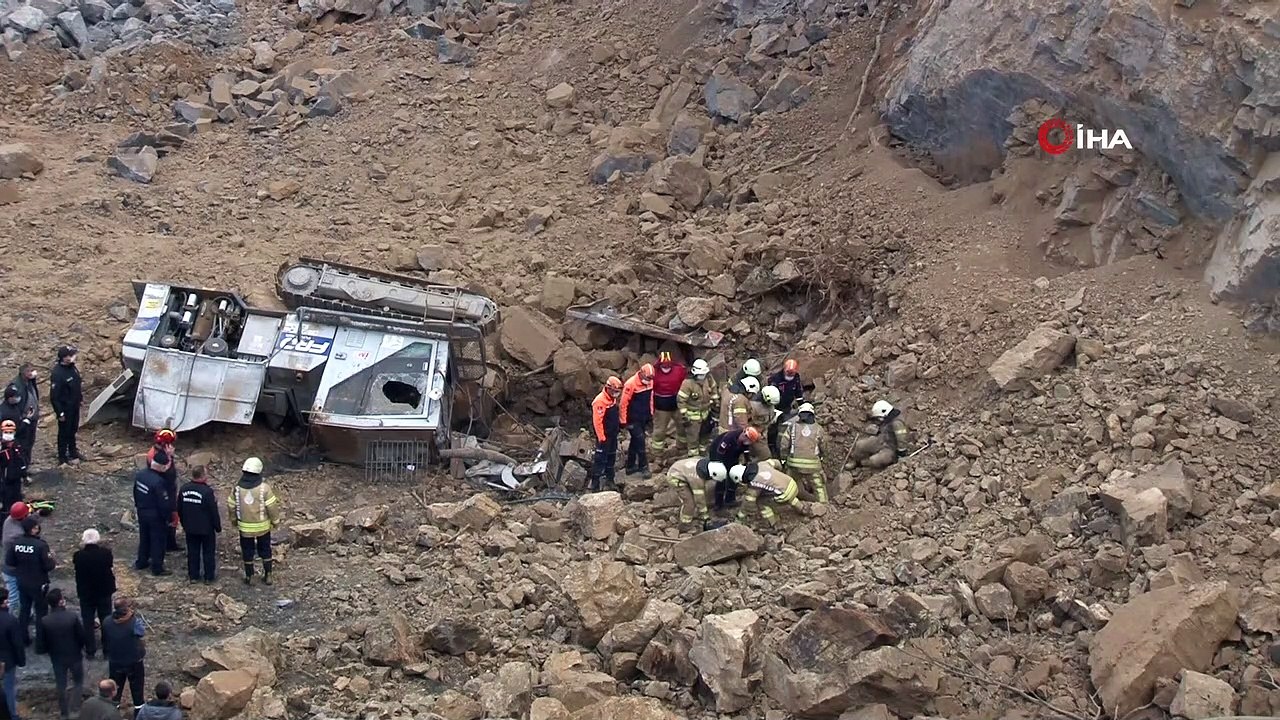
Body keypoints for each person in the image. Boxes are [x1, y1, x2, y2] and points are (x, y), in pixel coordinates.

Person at [229, 458, 281, 585]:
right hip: (263, 527)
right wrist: (275, 521)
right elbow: (272, 507)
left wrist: (234, 520)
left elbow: (231, 505)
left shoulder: (237, 489)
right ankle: (268, 574)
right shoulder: (264, 488)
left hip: (245, 528)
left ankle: (250, 576)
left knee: (247, 551)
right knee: (265, 549)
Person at [6, 516, 53, 653]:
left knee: (24, 611)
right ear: (32, 529)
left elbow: (10, 562)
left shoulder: (16, 543)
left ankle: (23, 639)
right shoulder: (41, 545)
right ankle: (41, 645)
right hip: (38, 584)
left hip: (22, 581)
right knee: (41, 614)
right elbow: (48, 565)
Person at [40, 588, 85, 720]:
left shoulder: (45, 620)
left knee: (61, 684)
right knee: (78, 681)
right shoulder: (72, 617)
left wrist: (49, 651)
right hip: (74, 654)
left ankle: (64, 712)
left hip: (57, 657)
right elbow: (81, 636)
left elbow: (42, 643)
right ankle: (75, 708)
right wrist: (80, 647)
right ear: (60, 602)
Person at [73, 529, 115, 659]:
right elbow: (110, 565)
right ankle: (107, 650)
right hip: (104, 591)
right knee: (106, 620)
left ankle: (90, 650)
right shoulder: (106, 554)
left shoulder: (78, 556)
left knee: (88, 621)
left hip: (86, 593)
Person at [732, 460, 808, 528]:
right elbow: (777, 463)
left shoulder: (754, 483)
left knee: (760, 502)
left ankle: (772, 523)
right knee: (779, 490)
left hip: (785, 495)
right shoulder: (762, 464)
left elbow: (748, 504)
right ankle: (801, 508)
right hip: (792, 484)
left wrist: (740, 517)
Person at [102, 597, 146, 714]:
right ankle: (138, 712)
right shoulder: (134, 622)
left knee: (115, 689)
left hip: (115, 661)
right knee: (137, 689)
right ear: (126, 608)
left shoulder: (106, 621)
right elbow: (141, 632)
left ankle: (113, 712)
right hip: (134, 661)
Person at [178, 465, 221, 583]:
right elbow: (213, 511)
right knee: (208, 553)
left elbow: (179, 508)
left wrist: (184, 524)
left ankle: (193, 576)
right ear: (202, 476)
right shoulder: (207, 492)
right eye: (206, 474)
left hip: (190, 528)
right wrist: (217, 527)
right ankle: (208, 577)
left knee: (192, 552)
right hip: (206, 529)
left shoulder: (184, 489)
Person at [133, 450, 172, 576]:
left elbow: (135, 492)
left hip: (142, 511)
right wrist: (168, 518)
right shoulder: (159, 482)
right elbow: (163, 503)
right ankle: (157, 567)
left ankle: (142, 561)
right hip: (155, 515)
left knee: (144, 537)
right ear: (161, 466)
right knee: (158, 541)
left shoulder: (141, 475)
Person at [779, 402, 828, 503]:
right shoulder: (819, 429)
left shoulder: (792, 427)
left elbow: (784, 445)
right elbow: (824, 446)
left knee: (788, 484)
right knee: (818, 486)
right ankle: (824, 506)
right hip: (812, 466)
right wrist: (822, 456)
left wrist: (783, 459)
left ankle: (785, 503)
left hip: (793, 465)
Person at [706, 427, 761, 512]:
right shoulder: (729, 438)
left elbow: (746, 452)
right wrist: (721, 468)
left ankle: (730, 499)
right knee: (721, 478)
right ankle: (718, 504)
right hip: (718, 453)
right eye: (749, 441)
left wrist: (746, 464)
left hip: (732, 454)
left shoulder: (744, 441)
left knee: (734, 475)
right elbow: (720, 452)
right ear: (745, 435)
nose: (748, 443)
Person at [49, 345, 85, 467]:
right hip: (65, 408)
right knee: (64, 432)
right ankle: (62, 456)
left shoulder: (72, 368)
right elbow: (54, 396)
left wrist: (80, 399)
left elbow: (76, 385)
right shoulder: (58, 373)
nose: (73, 357)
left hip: (74, 406)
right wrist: (60, 413)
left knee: (73, 430)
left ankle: (73, 452)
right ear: (64, 358)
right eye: (70, 355)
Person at [666, 457, 726, 528]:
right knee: (690, 502)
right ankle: (684, 524)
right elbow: (699, 499)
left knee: (697, 493)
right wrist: (705, 516)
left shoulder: (708, 465)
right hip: (675, 477)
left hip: (681, 469)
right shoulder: (697, 479)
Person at [146, 430, 181, 553]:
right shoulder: (158, 457)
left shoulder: (155, 452)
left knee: (171, 515)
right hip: (165, 490)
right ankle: (167, 543)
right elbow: (169, 474)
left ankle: (169, 541)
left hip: (166, 489)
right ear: (166, 444)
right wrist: (170, 456)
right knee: (171, 516)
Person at [619, 363, 655, 478]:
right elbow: (623, 403)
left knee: (635, 442)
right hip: (632, 419)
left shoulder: (650, 382)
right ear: (641, 374)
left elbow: (651, 398)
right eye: (647, 378)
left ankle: (630, 466)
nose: (648, 380)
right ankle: (643, 467)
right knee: (640, 442)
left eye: (650, 378)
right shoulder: (631, 384)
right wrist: (623, 420)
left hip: (643, 417)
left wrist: (651, 413)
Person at [851, 400, 912, 469]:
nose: (878, 420)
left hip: (891, 447)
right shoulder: (888, 418)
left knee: (874, 460)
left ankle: (863, 464)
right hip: (882, 439)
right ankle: (856, 461)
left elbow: (901, 439)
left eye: (878, 417)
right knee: (860, 445)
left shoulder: (897, 423)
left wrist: (901, 454)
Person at [588, 377, 623, 492]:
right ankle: (595, 485)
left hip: (612, 434)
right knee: (600, 460)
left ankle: (610, 480)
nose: (615, 394)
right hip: (604, 437)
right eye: (614, 391)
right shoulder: (600, 401)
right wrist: (601, 437)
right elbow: (597, 422)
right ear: (608, 388)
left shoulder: (611, 399)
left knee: (611, 457)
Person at [649, 352, 687, 456]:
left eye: (668, 365)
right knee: (659, 431)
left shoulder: (679, 370)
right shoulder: (654, 372)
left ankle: (682, 448)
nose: (666, 367)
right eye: (664, 365)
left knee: (682, 427)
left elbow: (685, 385)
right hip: (661, 408)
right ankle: (657, 454)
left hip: (677, 405)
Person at [676, 359, 718, 452]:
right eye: (700, 375)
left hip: (706, 413)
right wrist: (684, 415)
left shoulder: (709, 379)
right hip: (692, 416)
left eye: (703, 375)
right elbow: (681, 400)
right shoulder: (687, 383)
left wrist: (716, 403)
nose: (702, 377)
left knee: (705, 434)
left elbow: (714, 391)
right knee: (693, 438)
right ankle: (693, 455)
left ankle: (702, 451)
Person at [0, 589, 23, 720]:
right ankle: (12, 715)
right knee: (9, 689)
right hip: (7, 661)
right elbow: (17, 644)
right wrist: (21, 661)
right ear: (4, 602)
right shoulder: (10, 620)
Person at [9, 366, 38, 467]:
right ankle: (22, 468)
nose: (31, 373)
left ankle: (26, 464)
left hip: (31, 418)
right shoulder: (17, 386)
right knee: (23, 445)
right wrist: (22, 419)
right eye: (28, 371)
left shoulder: (29, 382)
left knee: (30, 442)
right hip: (23, 421)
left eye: (31, 371)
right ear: (22, 373)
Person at [0, 505, 25, 619]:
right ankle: (11, 619)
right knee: (14, 598)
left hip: (8, 567)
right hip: (13, 570)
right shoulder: (17, 534)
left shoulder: (9, 521)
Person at [0, 424, 24, 512]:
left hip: (16, 478)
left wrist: (24, 474)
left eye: (11, 432)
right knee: (7, 501)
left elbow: (21, 460)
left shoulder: (16, 446)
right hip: (5, 480)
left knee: (17, 497)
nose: (8, 434)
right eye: (6, 432)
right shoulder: (2, 448)